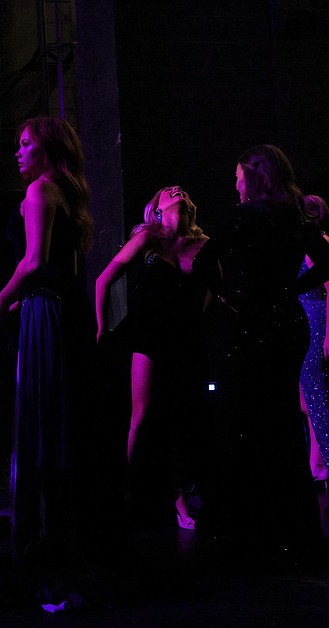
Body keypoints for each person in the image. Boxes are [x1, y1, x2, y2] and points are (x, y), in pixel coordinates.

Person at [204, 145, 329, 552]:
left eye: (238, 177)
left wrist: (230, 295)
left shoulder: (243, 217)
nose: (236, 186)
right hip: (288, 321)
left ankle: (254, 525)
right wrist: (289, 289)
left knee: (250, 418)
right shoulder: (293, 217)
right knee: (283, 418)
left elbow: (203, 263)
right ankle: (293, 524)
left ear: (254, 176)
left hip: (256, 321)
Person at [0, 116, 94, 601]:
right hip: (62, 309)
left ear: (48, 150)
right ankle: (60, 532)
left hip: (44, 314)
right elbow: (60, 268)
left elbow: (33, 261)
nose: (18, 152)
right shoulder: (65, 194)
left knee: (41, 414)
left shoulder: (39, 191)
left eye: (25, 144)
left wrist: (2, 300)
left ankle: (42, 542)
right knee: (59, 416)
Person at [96, 186, 217, 529]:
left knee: (182, 417)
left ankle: (180, 499)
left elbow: (215, 289)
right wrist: (102, 327)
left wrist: (197, 320)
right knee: (143, 414)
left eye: (181, 190)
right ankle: (130, 490)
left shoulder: (204, 244)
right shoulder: (149, 238)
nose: (176, 190)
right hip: (149, 334)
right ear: (158, 208)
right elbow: (104, 281)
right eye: (168, 191)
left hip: (185, 339)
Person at [298, 194, 329, 483]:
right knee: (309, 401)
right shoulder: (301, 244)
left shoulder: (323, 242)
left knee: (321, 399)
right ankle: (317, 462)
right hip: (304, 324)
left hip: (319, 323)